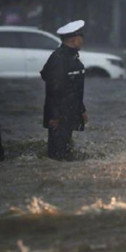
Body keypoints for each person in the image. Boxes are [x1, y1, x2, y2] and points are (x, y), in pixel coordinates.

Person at [40, 20, 88, 161]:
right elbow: (54, 89)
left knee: (66, 152)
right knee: (57, 156)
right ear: (74, 39)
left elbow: (74, 89)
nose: (83, 40)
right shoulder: (59, 58)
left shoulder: (71, 56)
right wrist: (54, 117)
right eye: (81, 37)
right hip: (59, 115)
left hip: (69, 112)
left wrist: (82, 110)